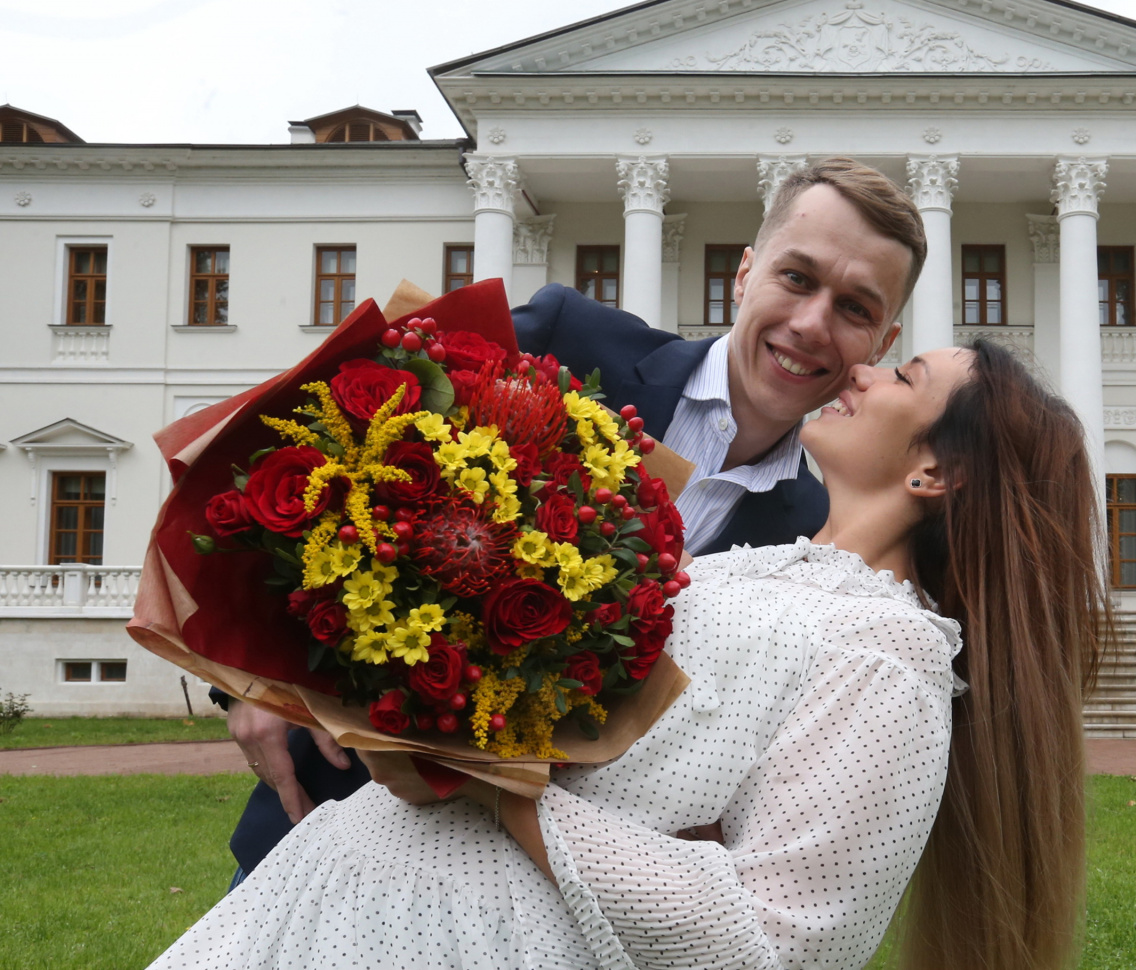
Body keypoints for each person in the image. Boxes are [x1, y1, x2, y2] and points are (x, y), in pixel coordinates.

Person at [149, 339, 1111, 970]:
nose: (860, 369)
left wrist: (494, 783)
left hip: (478, 942)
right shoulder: (744, 570)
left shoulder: (889, 657)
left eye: (904, 377)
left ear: (935, 470)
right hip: (337, 898)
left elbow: (778, 942)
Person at [213, 158, 924, 880]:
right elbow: (318, 442)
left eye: (855, 308)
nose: (811, 323)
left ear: (883, 343)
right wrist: (241, 681)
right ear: (744, 275)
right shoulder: (570, 340)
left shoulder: (809, 541)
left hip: (537, 892)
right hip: (330, 811)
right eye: (797, 278)